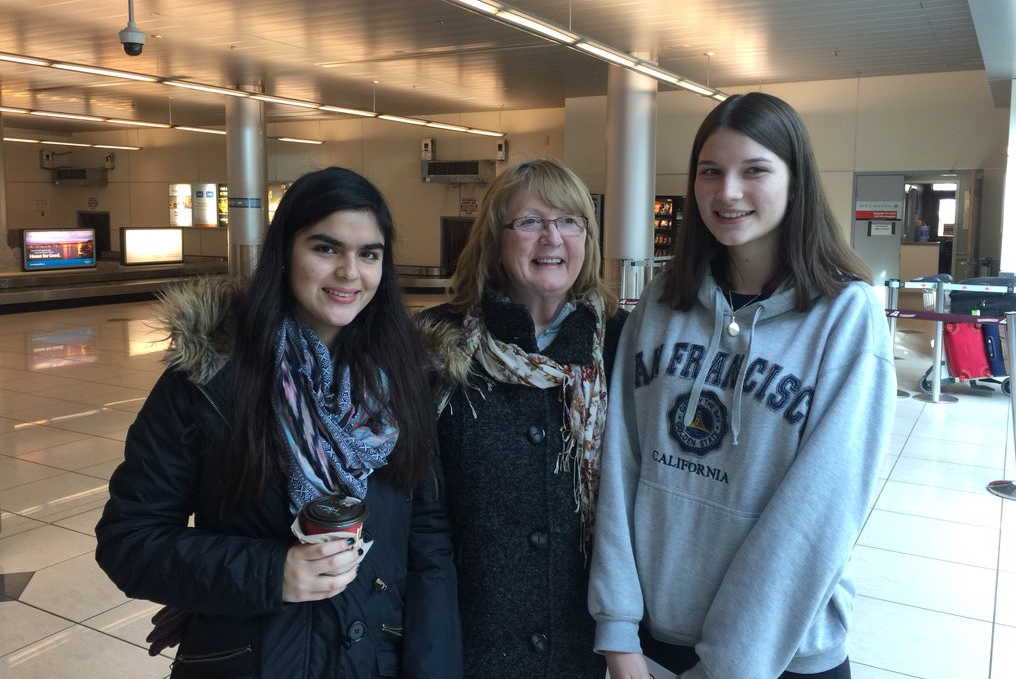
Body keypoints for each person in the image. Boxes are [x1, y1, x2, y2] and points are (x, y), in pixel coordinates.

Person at [95, 166, 461, 678]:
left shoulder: (404, 381)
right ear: (285, 251)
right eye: (326, 248)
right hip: (251, 660)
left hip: (373, 661)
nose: (350, 273)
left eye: (369, 254)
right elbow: (129, 539)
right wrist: (272, 573)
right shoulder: (211, 379)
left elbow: (427, 543)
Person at [588, 93, 896, 679]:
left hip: (782, 652)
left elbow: (818, 513)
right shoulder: (661, 300)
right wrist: (618, 630)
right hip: (656, 638)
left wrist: (731, 665)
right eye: (710, 171)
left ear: (796, 181)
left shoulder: (846, 316)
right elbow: (620, 466)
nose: (727, 192)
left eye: (754, 170)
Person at [416, 158, 628, 678]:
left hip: (589, 645)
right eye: (531, 221)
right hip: (470, 640)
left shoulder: (624, 344)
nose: (552, 237)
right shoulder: (436, 344)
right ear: (495, 239)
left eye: (570, 221)